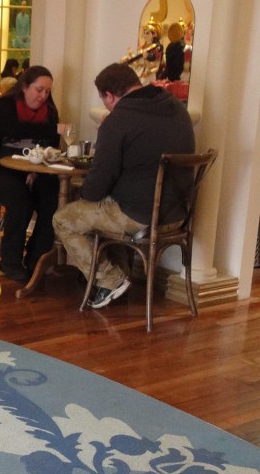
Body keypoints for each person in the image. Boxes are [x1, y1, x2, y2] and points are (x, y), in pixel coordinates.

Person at [52, 62, 195, 309]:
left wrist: (82, 187)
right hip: (178, 214)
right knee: (111, 204)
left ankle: (111, 280)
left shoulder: (118, 120)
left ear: (109, 95)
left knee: (64, 219)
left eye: (104, 100)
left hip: (139, 217)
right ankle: (118, 279)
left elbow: (95, 189)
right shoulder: (176, 107)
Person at [0, 64, 60, 282]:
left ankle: (37, 257)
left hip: (33, 170)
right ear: (24, 87)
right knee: (20, 199)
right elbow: (17, 128)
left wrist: (36, 171)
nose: (43, 96)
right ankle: (10, 260)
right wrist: (53, 129)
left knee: (52, 196)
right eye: (39, 90)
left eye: (47, 92)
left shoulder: (49, 112)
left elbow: (52, 144)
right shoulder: (4, 107)